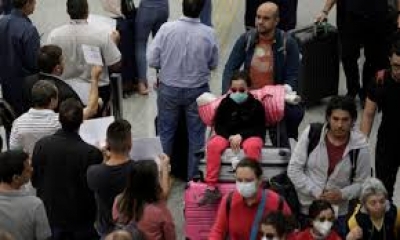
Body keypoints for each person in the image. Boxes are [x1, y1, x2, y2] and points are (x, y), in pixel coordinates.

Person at [147, 0, 219, 179]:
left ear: (182, 5)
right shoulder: (209, 33)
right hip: (198, 92)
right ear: (202, 9)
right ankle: (193, 180)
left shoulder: (166, 29)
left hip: (168, 89)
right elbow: (213, 63)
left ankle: (163, 177)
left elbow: (152, 60)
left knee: (166, 133)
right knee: (196, 136)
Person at [288, 96, 371, 237]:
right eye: (335, 119)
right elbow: (294, 169)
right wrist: (315, 191)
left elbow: (362, 183)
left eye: (345, 120)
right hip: (307, 210)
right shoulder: (311, 133)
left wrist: (342, 194)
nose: (339, 125)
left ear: (352, 121)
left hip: (339, 215)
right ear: (328, 118)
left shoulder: (360, 147)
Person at [222, 2, 302, 145]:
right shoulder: (246, 39)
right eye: (258, 17)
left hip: (273, 103)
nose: (260, 21)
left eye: (266, 18)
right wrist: (227, 95)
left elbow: (293, 75)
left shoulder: (288, 43)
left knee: (280, 145)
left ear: (276, 21)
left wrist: (283, 92)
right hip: (248, 102)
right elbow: (230, 69)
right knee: (240, 144)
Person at [31, 98, 103, 240]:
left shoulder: (41, 145)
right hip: (81, 220)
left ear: (59, 118)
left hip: (50, 216)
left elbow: (35, 181)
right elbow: (95, 189)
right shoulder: (91, 153)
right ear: (82, 120)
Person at [198, 71, 266, 205]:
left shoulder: (256, 105)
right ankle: (211, 187)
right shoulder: (225, 103)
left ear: (249, 89)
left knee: (253, 146)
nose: (237, 93)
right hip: (227, 135)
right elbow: (219, 126)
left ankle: (254, 184)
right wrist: (230, 137)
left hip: (249, 136)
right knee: (213, 145)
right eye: (234, 90)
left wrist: (241, 136)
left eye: (241, 90)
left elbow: (259, 128)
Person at [47, 0, 121, 115]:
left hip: (65, 91)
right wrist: (114, 43)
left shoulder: (54, 35)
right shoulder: (102, 35)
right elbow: (115, 65)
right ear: (87, 11)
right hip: (98, 89)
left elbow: (49, 65)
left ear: (68, 11)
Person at [316, 0, 397, 103]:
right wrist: (325, 11)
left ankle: (367, 92)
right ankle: (352, 90)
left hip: (377, 15)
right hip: (348, 16)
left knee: (374, 57)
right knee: (348, 56)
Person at [10, 66, 101, 155]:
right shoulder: (61, 120)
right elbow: (92, 109)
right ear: (53, 100)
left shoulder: (18, 124)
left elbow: (14, 152)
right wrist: (95, 78)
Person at [209, 158, 291, 239]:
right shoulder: (228, 201)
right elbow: (218, 231)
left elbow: (290, 234)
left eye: (248, 180)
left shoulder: (277, 202)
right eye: (239, 180)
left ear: (259, 180)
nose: (243, 184)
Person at [360, 40, 400, 200]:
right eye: (396, 66)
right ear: (390, 59)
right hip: (387, 142)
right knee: (383, 192)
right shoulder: (380, 80)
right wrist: (362, 144)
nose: (399, 71)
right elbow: (369, 113)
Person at [87, 119, 135, 237]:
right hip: (131, 229)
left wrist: (104, 159)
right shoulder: (137, 170)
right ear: (130, 144)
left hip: (106, 229)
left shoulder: (94, 172)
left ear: (108, 144)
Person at [112, 160, 175, 240]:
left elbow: (116, 220)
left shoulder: (119, 200)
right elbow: (170, 236)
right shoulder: (160, 211)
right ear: (153, 184)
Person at [0, 150, 51, 240]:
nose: (32, 169)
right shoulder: (35, 205)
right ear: (16, 178)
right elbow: (44, 237)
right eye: (27, 169)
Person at [0, 0, 40, 115]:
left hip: (5, 86)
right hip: (24, 90)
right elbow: (34, 64)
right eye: (34, 2)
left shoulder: (2, 22)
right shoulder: (28, 30)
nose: (35, 5)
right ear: (27, 3)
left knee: (10, 121)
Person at [23, 45, 85, 112]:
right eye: (62, 60)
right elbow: (80, 113)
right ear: (57, 68)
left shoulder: (27, 82)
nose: (64, 62)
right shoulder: (66, 92)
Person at [100, 0, 138, 97]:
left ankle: (122, 82)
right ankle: (127, 83)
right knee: (127, 50)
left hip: (110, 17)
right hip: (121, 16)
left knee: (117, 50)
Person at [135, 0, 169, 95]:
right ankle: (161, 81)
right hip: (163, 6)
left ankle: (142, 83)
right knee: (160, 45)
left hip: (147, 7)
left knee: (140, 44)